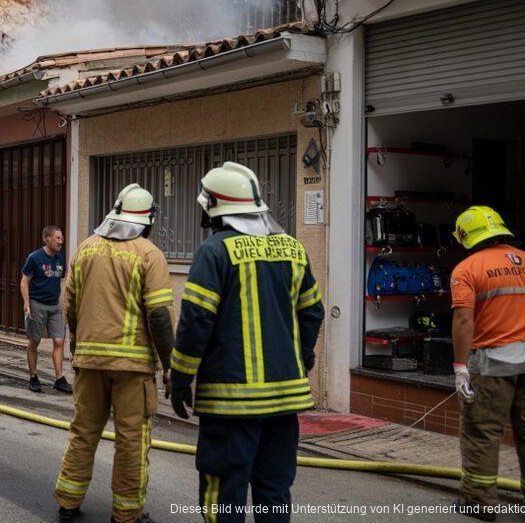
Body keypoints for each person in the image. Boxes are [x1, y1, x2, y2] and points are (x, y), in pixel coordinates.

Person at [169, 162, 323, 523]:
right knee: (274, 490)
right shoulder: (294, 249)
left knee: (224, 492)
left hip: (230, 403)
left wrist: (179, 379)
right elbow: (312, 313)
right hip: (286, 402)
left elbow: (195, 323)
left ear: (214, 206)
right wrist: (301, 360)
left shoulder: (214, 252)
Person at [54, 184, 174, 523]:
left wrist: (77, 348)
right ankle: (126, 513)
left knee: (83, 431)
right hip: (132, 366)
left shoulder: (86, 249)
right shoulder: (149, 254)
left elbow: (71, 306)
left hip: (88, 361)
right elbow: (160, 316)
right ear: (147, 220)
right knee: (132, 440)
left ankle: (68, 500)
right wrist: (169, 366)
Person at [449, 206, 525, 522]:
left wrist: (460, 367)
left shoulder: (467, 268)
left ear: (467, 237)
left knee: (482, 431)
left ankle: (479, 502)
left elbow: (464, 319)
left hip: (493, 360)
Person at [21, 225, 71, 394]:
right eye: (57, 238)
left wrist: (62, 301)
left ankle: (59, 379)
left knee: (59, 341)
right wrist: (27, 303)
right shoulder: (35, 257)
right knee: (35, 342)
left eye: (62, 238)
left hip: (55, 306)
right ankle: (33, 377)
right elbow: (24, 281)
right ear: (47, 238)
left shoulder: (59, 257)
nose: (61, 241)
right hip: (37, 304)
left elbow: (62, 279)